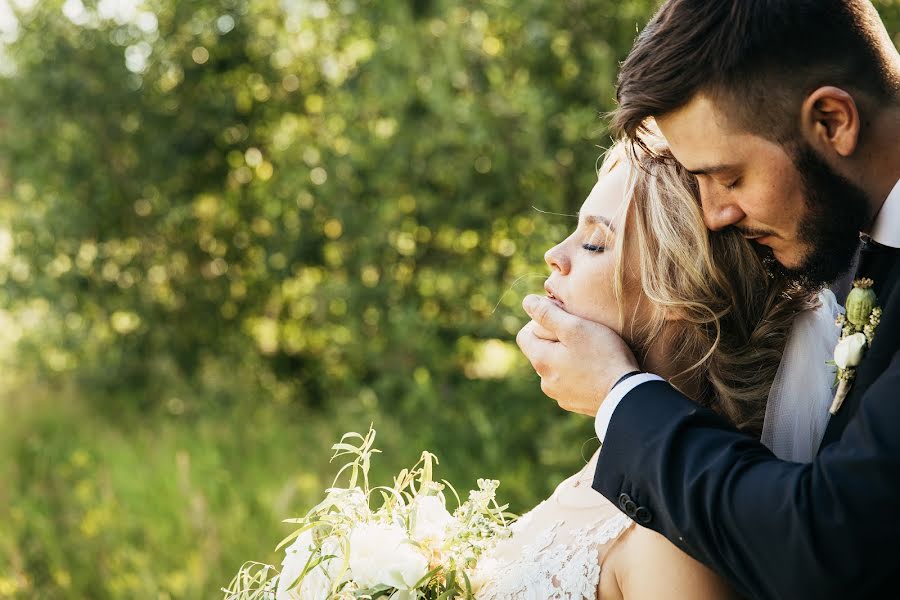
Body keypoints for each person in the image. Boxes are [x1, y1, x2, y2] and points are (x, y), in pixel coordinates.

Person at [516, 2, 900, 598]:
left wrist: (620, 396)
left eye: (729, 176)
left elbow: (834, 541)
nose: (716, 214)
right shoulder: (872, 262)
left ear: (832, 120)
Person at [473, 137, 832, 599]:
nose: (555, 256)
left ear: (679, 292)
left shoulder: (671, 533)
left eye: (595, 243)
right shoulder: (614, 463)